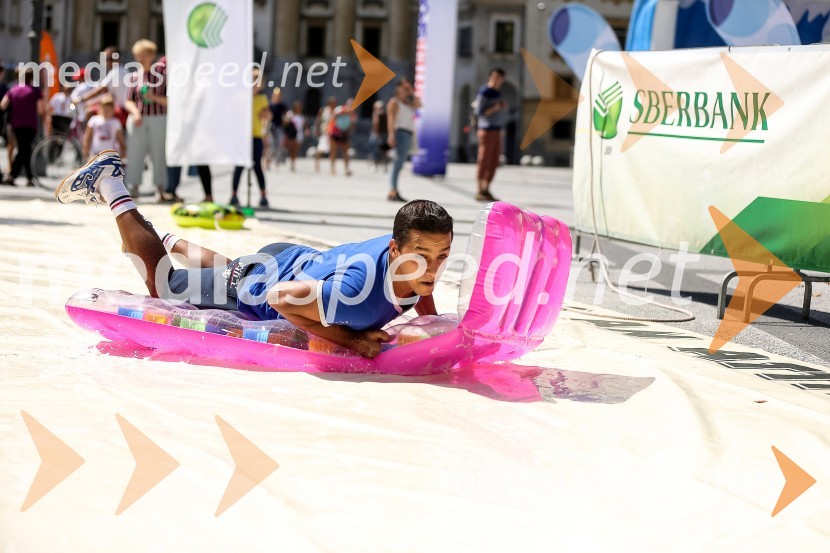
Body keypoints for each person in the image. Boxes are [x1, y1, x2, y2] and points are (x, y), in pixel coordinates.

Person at [55, 150, 453, 358]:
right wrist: (351, 341)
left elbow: (421, 282)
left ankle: (159, 234)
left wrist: (428, 316)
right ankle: (111, 186)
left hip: (288, 258)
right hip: (259, 285)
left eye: (443, 256)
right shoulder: (357, 295)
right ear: (395, 248)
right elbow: (281, 301)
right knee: (167, 283)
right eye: (422, 256)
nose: (431, 268)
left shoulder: (413, 246)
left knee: (235, 269)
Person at [124, 39, 168, 201]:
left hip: (158, 118)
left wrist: (154, 98)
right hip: (138, 120)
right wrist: (135, 113)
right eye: (137, 55)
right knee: (135, 153)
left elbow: (170, 100)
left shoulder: (162, 77)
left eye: (142, 55)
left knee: (159, 153)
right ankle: (134, 187)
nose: (139, 59)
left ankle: (160, 189)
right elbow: (128, 100)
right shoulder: (134, 76)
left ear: (151, 55)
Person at [230, 69, 271, 207]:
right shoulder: (242, 96)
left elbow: (267, 116)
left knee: (257, 166)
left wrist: (265, 114)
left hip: (256, 136)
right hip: (242, 137)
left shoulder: (262, 99)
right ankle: (234, 194)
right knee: (239, 167)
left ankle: (263, 195)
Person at [1, 68, 43, 186]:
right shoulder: (35, 90)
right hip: (30, 124)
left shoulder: (13, 89)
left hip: (16, 124)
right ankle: (12, 175)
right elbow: (40, 109)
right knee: (24, 149)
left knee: (24, 149)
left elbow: (3, 105)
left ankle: (28, 178)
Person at [474, 68, 507, 202]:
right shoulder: (485, 91)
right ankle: (479, 189)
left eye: (499, 77)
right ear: (490, 77)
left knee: (494, 160)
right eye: (494, 76)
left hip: (496, 129)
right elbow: (479, 111)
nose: (496, 79)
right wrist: (496, 107)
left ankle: (486, 188)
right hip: (487, 129)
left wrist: (500, 106)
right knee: (484, 159)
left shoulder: (497, 93)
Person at [386, 78, 421, 202]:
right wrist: (391, 135)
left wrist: (411, 92)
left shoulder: (407, 103)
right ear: (398, 88)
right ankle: (392, 190)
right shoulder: (394, 102)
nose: (406, 90)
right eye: (404, 88)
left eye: (407, 88)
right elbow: (391, 120)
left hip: (408, 133)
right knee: (397, 162)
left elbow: (419, 105)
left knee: (400, 163)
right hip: (400, 133)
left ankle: (394, 189)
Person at [78, 46, 130, 127]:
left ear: (118, 59)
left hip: (123, 111)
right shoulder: (122, 70)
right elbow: (108, 94)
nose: (108, 62)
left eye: (110, 59)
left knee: (89, 112)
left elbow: (101, 89)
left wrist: (81, 99)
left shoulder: (116, 72)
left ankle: (91, 139)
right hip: (124, 109)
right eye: (106, 59)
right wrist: (91, 102)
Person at [82, 95, 125, 160]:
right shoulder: (94, 120)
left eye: (109, 109)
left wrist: (123, 149)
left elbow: (120, 138)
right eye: (105, 109)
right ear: (100, 108)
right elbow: (88, 136)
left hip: (110, 154)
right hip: (95, 153)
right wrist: (86, 148)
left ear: (113, 109)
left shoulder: (115, 122)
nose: (107, 111)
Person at [327, 98, 355, 176]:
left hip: (344, 134)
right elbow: (332, 118)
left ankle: (346, 169)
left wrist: (348, 131)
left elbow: (351, 125)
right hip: (335, 133)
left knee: (345, 152)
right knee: (333, 151)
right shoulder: (339, 109)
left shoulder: (353, 114)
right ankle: (332, 169)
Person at [264, 87, 286, 170]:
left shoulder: (282, 105)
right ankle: (267, 162)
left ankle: (277, 163)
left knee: (280, 145)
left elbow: (285, 116)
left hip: (279, 127)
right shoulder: (269, 105)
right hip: (271, 127)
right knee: (271, 145)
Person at [314, 96, 337, 172]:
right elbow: (318, 120)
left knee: (333, 150)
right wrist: (316, 129)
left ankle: (332, 168)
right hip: (324, 132)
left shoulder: (336, 111)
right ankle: (317, 165)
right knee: (320, 149)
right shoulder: (323, 110)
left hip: (333, 132)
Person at [283, 101, 306, 172]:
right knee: (291, 149)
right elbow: (285, 123)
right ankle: (291, 162)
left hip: (299, 134)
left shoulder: (302, 116)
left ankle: (293, 163)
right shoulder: (290, 114)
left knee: (295, 150)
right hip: (292, 134)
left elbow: (304, 126)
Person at [368, 100, 389, 173]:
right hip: (383, 134)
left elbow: (376, 124)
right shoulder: (385, 114)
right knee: (384, 150)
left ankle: (376, 165)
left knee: (375, 150)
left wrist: (377, 134)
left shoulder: (378, 114)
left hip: (379, 134)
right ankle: (384, 166)